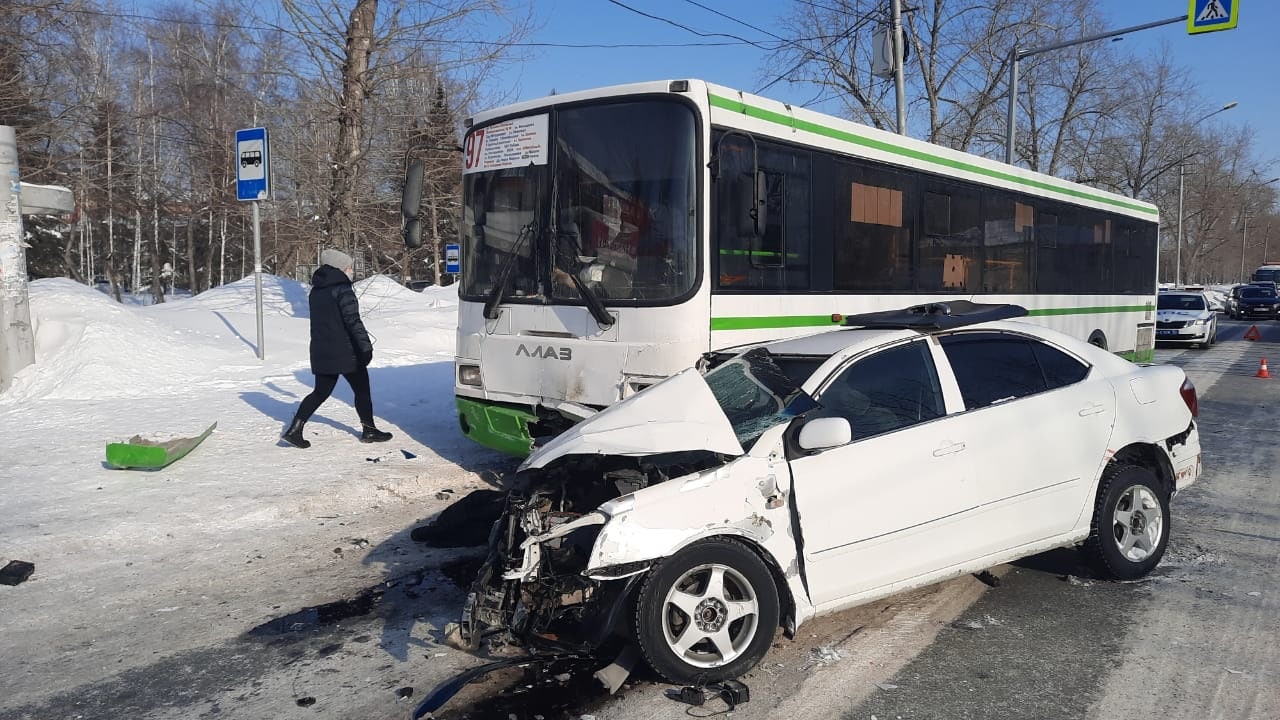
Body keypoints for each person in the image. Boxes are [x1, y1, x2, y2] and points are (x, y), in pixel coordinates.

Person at [282, 248, 393, 448]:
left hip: (322, 350)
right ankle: (369, 429)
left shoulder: (316, 291)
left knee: (320, 392)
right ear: (340, 268)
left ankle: (294, 429)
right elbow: (353, 321)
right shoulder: (342, 289)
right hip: (346, 352)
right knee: (362, 390)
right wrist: (365, 347)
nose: (351, 270)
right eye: (349, 267)